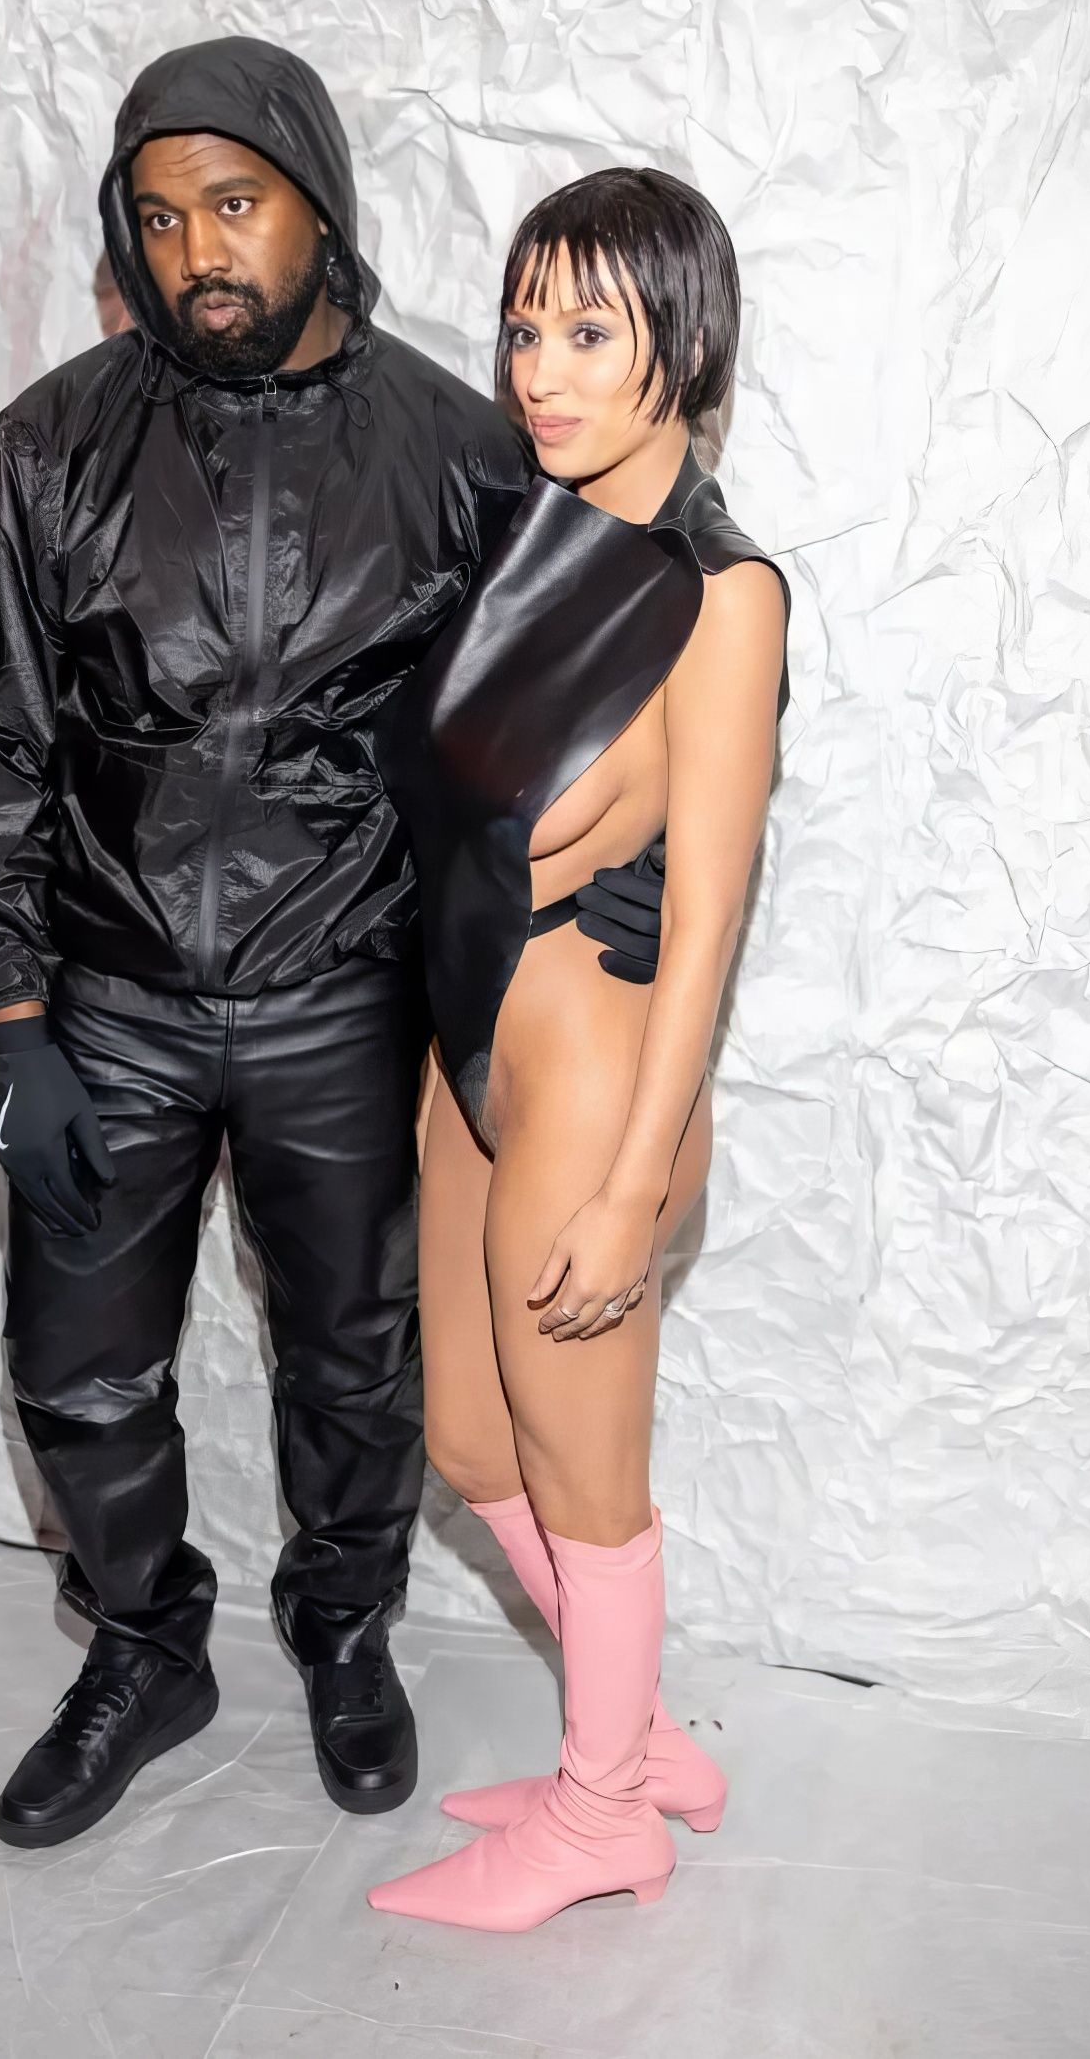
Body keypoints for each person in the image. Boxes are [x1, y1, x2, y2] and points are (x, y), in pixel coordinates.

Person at [0, 38, 658, 1850]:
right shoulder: (48, 451)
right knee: (73, 1371)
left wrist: (601, 914)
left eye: (233, 204)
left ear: (320, 201)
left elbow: (564, 710)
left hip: (345, 996)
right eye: (158, 221)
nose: (197, 252)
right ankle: (145, 1644)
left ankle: (342, 1629)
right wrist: (12, 1024)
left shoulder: (460, 453)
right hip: (108, 997)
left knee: (356, 1362)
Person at [366, 167, 790, 1932]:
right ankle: (637, 1741)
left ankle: (604, 1806)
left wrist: (631, 1187)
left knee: (587, 1474)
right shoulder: (522, 537)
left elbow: (708, 922)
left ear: (684, 344)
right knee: (473, 1441)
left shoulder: (721, 593)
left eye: (589, 331)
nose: (540, 370)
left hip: (601, 1077)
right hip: (477, 1054)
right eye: (525, 327)